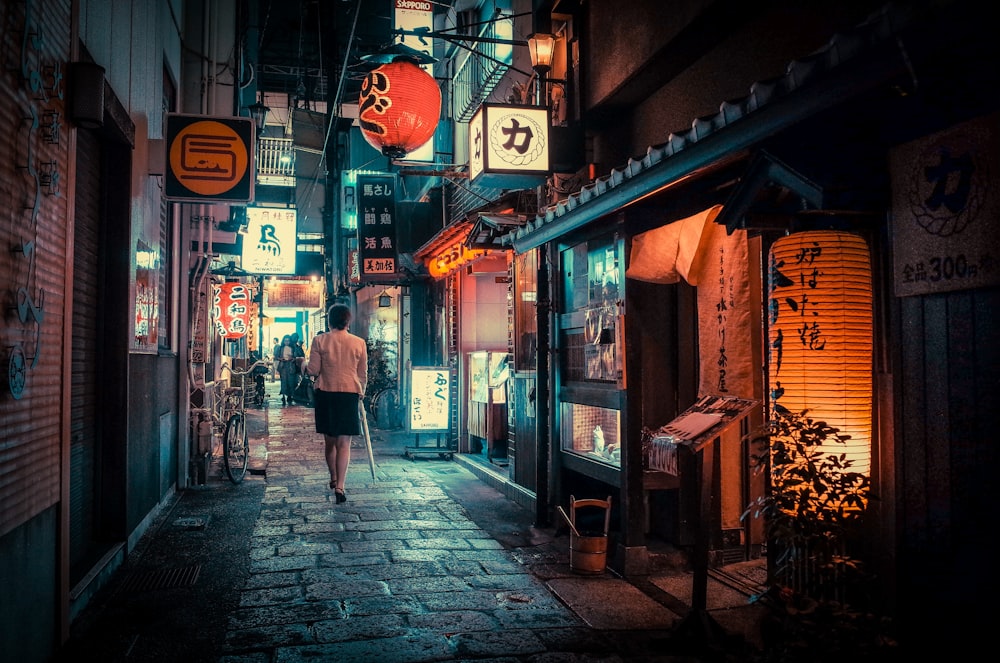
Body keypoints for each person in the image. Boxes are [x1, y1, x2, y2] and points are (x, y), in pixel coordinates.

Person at [304, 304, 367, 503]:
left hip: (326, 393)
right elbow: (362, 373)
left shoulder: (320, 340)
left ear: (329, 320)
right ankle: (340, 485)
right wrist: (361, 391)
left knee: (330, 442)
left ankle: (332, 476)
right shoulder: (359, 343)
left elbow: (313, 370)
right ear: (348, 321)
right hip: (349, 394)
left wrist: (302, 364)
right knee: (344, 443)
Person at [277, 335, 298, 406]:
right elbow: (277, 357)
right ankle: (283, 395)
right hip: (283, 366)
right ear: (283, 341)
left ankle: (290, 396)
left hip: (290, 366)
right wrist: (281, 359)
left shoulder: (293, 348)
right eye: (285, 341)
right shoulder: (280, 348)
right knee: (283, 381)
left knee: (291, 381)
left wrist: (292, 359)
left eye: (288, 341)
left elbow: (295, 357)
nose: (287, 342)